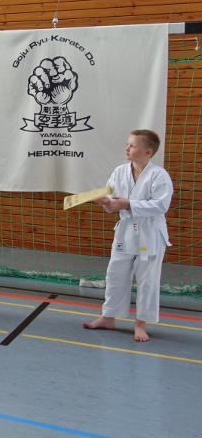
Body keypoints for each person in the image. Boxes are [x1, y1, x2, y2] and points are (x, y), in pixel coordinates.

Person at [82, 129, 173, 342]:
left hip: (150, 233)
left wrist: (128, 204)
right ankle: (108, 318)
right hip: (125, 232)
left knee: (147, 279)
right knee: (115, 274)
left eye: (132, 146)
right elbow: (112, 199)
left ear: (148, 152)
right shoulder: (120, 171)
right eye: (127, 144)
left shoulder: (159, 175)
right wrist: (105, 201)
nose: (127, 148)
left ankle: (141, 324)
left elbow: (161, 205)